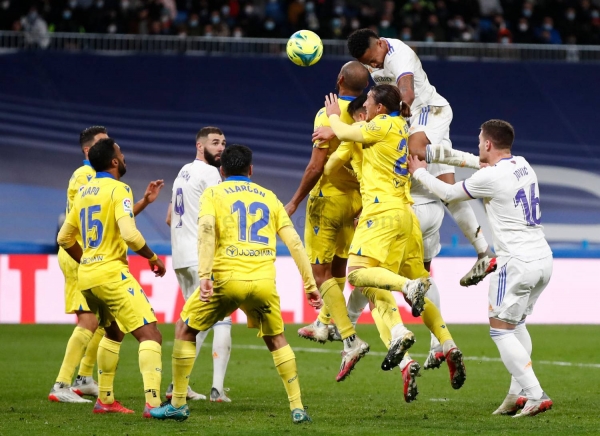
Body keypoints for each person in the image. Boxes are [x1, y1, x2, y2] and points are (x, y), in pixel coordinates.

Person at [150, 145, 322, 423]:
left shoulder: (214, 193)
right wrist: (310, 284)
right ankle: (297, 408)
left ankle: (179, 404)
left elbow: (205, 233)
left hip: (227, 279)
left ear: (222, 171)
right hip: (263, 282)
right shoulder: (269, 197)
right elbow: (294, 242)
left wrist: (205, 276)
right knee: (276, 339)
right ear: (251, 170)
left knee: (185, 329)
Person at [324, 88, 466, 400]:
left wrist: (335, 122)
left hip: (381, 215)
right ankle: (446, 343)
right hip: (407, 216)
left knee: (361, 277)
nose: (367, 109)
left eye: (370, 102)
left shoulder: (374, 128)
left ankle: (400, 327)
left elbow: (329, 168)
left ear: (375, 108)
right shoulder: (403, 127)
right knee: (391, 284)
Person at [408, 119, 553, 417]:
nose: (477, 146)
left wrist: (419, 172)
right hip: (542, 259)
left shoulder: (492, 177)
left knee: (500, 331)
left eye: (479, 141)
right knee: (517, 325)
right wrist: (432, 154)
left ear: (488, 144)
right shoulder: (522, 164)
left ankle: (536, 394)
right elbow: (475, 162)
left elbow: (449, 195)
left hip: (516, 262)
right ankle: (517, 394)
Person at [345, 28, 497, 289]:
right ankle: (484, 252)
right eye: (368, 63)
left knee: (414, 151)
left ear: (381, 43)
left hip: (428, 110)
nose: (373, 65)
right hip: (413, 118)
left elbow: (406, 88)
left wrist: (403, 107)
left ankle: (478, 162)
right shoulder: (373, 59)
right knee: (449, 192)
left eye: (374, 59)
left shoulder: (398, 54)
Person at [50, 126, 164, 404]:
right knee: (139, 330)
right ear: (96, 153)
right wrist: (152, 257)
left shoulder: (90, 188)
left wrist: (143, 203)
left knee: (110, 328)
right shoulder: (86, 177)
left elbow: (91, 222)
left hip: (89, 261)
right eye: (109, 145)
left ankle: (97, 390)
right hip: (96, 260)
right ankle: (152, 403)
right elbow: (125, 230)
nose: (117, 148)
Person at [285, 61, 370, 382]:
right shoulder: (369, 114)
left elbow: (315, 166)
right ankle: (324, 322)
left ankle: (349, 338)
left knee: (320, 273)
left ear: (339, 80)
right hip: (356, 201)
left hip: (327, 200)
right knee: (338, 269)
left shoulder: (329, 113)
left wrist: (295, 200)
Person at [165, 126, 232, 402]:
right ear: (199, 146)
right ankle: (215, 389)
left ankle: (178, 385)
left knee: (195, 321)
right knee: (220, 320)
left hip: (180, 256)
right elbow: (221, 213)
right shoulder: (211, 174)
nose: (221, 148)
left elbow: (170, 216)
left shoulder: (183, 172)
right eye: (215, 143)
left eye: (224, 143)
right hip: (200, 256)